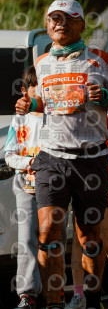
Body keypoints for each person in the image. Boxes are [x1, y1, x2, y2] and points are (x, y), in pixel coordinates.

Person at [15, 0, 108, 309]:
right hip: (51, 157)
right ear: (47, 25)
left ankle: (92, 299)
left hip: (91, 158)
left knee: (89, 237)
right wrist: (30, 104)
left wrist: (105, 97)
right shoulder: (42, 63)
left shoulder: (100, 59)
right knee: (48, 233)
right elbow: (46, 103)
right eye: (54, 19)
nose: (59, 24)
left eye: (66, 18)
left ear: (81, 24)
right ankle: (54, 303)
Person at [67, 112, 108, 309]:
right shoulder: (72, 115)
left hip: (107, 178)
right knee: (80, 239)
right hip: (82, 181)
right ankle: (79, 294)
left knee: (104, 236)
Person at [6, 67, 57, 309]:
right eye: (36, 86)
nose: (40, 91)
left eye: (45, 86)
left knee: (53, 239)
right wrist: (29, 163)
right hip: (25, 184)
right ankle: (27, 294)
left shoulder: (55, 116)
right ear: (25, 90)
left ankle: (55, 292)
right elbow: (9, 155)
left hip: (54, 185)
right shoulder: (20, 119)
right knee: (27, 238)